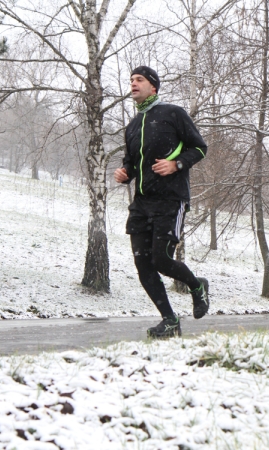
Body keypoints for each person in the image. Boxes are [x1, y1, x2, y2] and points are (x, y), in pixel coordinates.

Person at [114, 66, 209, 339]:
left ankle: (196, 286)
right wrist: (124, 173)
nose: (133, 83)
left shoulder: (173, 114)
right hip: (142, 204)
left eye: (139, 80)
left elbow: (200, 147)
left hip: (171, 199)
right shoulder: (132, 127)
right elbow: (131, 164)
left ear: (153, 87)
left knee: (161, 259)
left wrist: (177, 164)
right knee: (143, 265)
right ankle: (169, 320)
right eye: (131, 80)